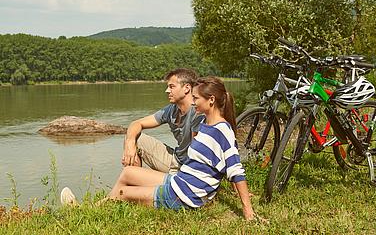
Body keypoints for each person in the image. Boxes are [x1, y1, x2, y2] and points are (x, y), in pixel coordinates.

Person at [61, 76, 256, 220]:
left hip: (185, 195)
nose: (193, 101)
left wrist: (248, 212)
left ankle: (83, 213)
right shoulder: (205, 124)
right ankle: (88, 210)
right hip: (180, 180)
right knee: (128, 173)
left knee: (122, 194)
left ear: (211, 100)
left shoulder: (222, 131)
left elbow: (235, 170)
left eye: (196, 98)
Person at [122, 68, 204, 174]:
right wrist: (130, 144)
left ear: (186, 88)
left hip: (191, 167)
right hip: (175, 160)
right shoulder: (171, 110)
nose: (167, 91)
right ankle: (133, 178)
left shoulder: (198, 111)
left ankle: (135, 180)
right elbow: (136, 123)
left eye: (171, 87)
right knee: (134, 137)